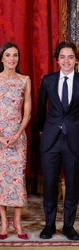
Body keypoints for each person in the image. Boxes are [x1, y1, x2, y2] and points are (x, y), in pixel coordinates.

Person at [0, 42, 31, 240]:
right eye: (8, 55)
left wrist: (17, 134)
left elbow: (27, 113)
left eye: (15, 55)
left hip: (18, 137)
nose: (12, 59)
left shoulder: (25, 80)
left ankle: (17, 222)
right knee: (0, 180)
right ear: (1, 58)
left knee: (17, 180)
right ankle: (4, 222)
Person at [38, 41, 79, 241]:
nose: (66, 61)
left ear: (76, 60)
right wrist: (41, 132)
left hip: (74, 141)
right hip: (50, 141)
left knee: (73, 185)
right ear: (57, 60)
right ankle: (49, 225)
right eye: (62, 57)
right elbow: (39, 110)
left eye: (70, 57)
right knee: (50, 185)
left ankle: (69, 226)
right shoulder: (48, 81)